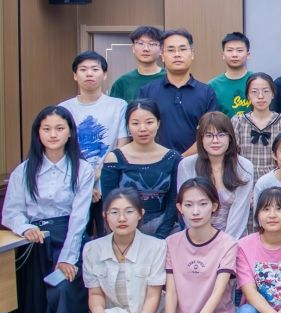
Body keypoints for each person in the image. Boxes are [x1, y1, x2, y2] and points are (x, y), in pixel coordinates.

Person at [2, 106, 94, 313]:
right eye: (47, 129)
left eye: (59, 128)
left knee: (65, 284)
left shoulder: (82, 169)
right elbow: (11, 212)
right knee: (34, 288)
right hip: (33, 241)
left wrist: (68, 257)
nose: (53, 134)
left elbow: (79, 217)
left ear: (70, 133)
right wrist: (25, 227)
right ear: (38, 133)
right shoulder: (24, 171)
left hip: (69, 236)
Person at [148, 178, 239, 313]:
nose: (196, 211)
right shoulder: (171, 243)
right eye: (188, 205)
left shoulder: (227, 243)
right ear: (179, 208)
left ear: (214, 206)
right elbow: (171, 294)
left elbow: (218, 292)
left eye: (203, 204)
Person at [100, 100, 182, 237]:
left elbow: (174, 201)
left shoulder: (173, 158)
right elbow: (109, 203)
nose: (142, 129)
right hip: (124, 228)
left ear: (158, 123)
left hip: (165, 229)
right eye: (135, 123)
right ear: (128, 126)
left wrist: (161, 235)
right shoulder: (114, 159)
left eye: (149, 122)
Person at [59, 51, 128, 209]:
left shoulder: (118, 106)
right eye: (83, 70)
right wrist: (84, 182)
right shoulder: (64, 109)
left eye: (95, 69)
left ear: (104, 75)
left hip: (110, 182)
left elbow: (122, 146)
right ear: (75, 75)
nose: (89, 74)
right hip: (73, 184)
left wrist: (100, 173)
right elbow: (61, 149)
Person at [137, 29, 219, 155]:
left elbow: (211, 133)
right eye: (171, 50)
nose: (177, 54)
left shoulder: (207, 93)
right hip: (156, 161)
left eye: (182, 49)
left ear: (192, 54)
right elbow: (141, 129)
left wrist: (182, 159)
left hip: (196, 162)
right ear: (162, 56)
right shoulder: (147, 91)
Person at [176, 112, 254, 239]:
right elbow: (187, 209)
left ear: (230, 137)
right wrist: (201, 240)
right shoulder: (186, 165)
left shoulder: (244, 166)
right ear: (201, 139)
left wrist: (224, 245)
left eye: (221, 135)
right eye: (209, 135)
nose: (215, 141)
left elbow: (239, 214)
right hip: (196, 237)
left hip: (233, 239)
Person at [231, 73, 281, 183]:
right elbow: (232, 155)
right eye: (254, 92)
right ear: (248, 95)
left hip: (276, 179)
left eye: (266, 91)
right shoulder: (238, 121)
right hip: (244, 179)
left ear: (273, 94)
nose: (260, 96)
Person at [109, 26, 164, 103]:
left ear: (161, 50)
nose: (145, 49)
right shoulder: (122, 82)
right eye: (141, 43)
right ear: (133, 48)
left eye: (152, 44)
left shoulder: (169, 78)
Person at [208, 32, 252, 118]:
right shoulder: (213, 85)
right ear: (223, 55)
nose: (234, 55)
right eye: (229, 50)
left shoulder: (257, 81)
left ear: (248, 55)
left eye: (239, 50)